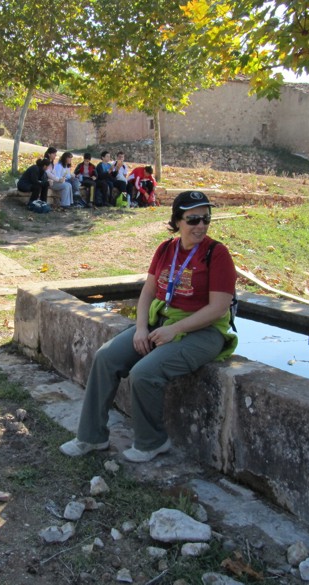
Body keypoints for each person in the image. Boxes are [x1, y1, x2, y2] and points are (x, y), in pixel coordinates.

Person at [60, 191, 238, 462]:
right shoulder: (166, 249)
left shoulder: (217, 254)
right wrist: (141, 327)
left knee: (144, 373)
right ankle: (91, 437)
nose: (201, 225)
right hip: (161, 322)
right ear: (177, 221)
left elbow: (219, 308)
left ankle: (152, 442)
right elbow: (148, 292)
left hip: (203, 331)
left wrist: (175, 330)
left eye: (206, 218)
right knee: (106, 357)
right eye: (193, 219)